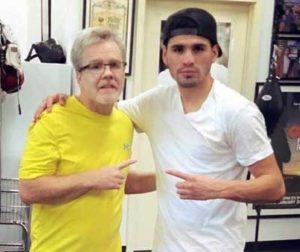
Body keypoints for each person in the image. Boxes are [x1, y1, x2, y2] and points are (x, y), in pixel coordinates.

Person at [33, 8, 285, 252]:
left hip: (217, 246)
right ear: (165, 55)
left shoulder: (238, 112)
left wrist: (217, 189)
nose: (188, 58)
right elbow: (102, 109)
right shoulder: (155, 102)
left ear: (214, 52)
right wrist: (64, 100)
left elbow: (274, 186)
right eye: (178, 49)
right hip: (165, 244)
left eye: (198, 48)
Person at [19, 28, 155, 252]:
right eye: (96, 66)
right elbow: (29, 190)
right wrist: (91, 179)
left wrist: (167, 179)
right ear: (78, 75)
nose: (108, 73)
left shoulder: (124, 121)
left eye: (115, 64)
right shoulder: (51, 119)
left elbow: (118, 181)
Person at [157, 62, 228, 86]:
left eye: (198, 49)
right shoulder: (163, 79)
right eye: (179, 49)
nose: (188, 60)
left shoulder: (221, 73)